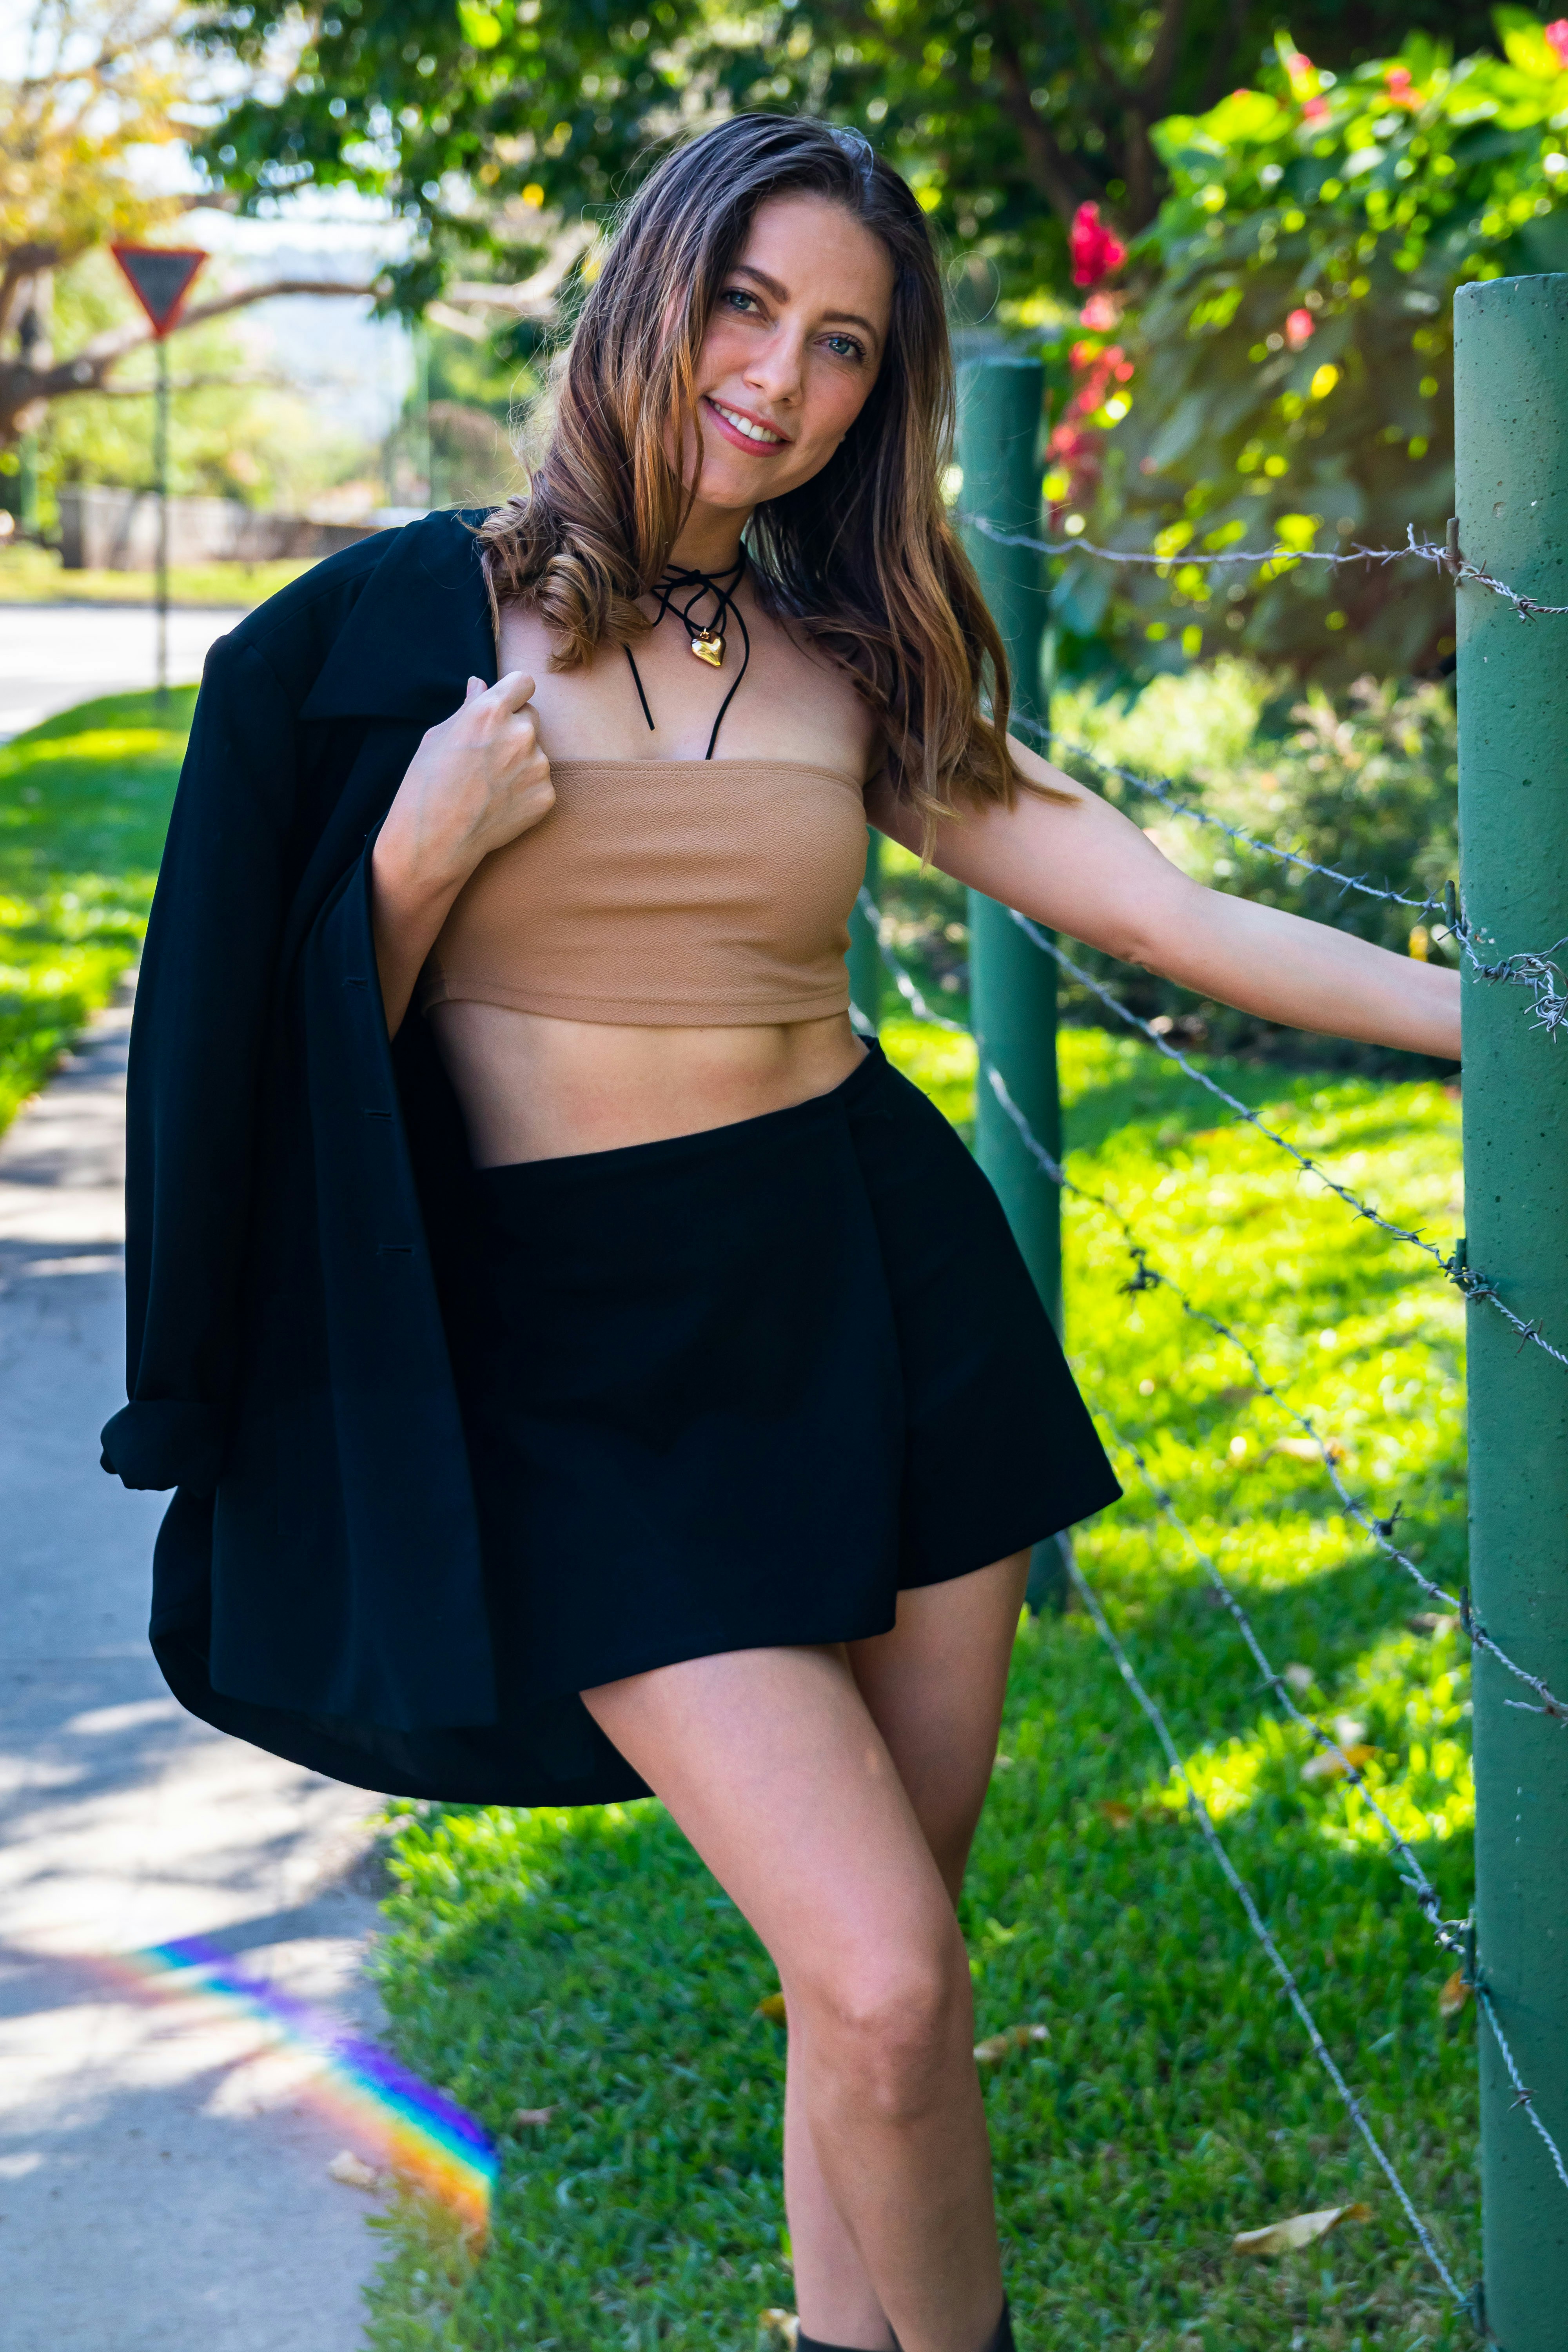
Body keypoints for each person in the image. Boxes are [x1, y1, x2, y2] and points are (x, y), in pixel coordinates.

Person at [102, 114, 1461, 2352]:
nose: (784, 379)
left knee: (886, 1994)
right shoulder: (371, 639)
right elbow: (241, 1072)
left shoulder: (851, 643)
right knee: (887, 1972)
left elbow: (1150, 897)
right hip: (587, 1380)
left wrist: (1491, 1020)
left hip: (877, 1308)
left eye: (843, 345)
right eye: (749, 305)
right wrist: (415, 869)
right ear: (651, 281)